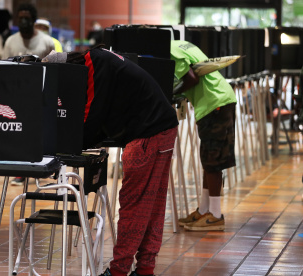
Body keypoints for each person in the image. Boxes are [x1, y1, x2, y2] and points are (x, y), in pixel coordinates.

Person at [43, 46, 178, 276]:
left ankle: (118, 271)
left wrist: (70, 144)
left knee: (133, 205)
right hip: (164, 127)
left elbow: (92, 113)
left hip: (147, 133)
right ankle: (145, 269)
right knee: (152, 205)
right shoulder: (99, 59)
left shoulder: (93, 63)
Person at [170, 40, 237, 231]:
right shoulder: (181, 43)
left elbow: (191, 78)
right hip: (220, 98)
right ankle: (204, 210)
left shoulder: (170, 51)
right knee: (209, 160)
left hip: (213, 103)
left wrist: (169, 92)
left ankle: (215, 215)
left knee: (213, 161)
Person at [7, 3, 56, 186]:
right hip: (17, 95)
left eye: (27, 17)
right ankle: (20, 171)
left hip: (40, 95)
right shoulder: (10, 42)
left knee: (42, 133)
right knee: (19, 133)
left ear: (34, 20)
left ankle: (45, 167)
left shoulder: (46, 41)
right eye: (21, 18)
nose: (24, 21)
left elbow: (54, 69)